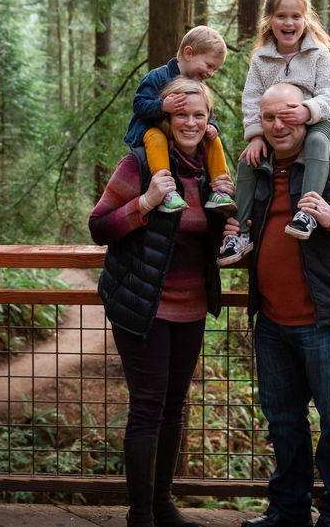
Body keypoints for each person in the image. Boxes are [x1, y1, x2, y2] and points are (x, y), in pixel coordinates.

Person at [227, 83, 330, 527]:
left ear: (306, 114)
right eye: (268, 117)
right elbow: (247, 232)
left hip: (329, 319)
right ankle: (289, 511)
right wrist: (229, 227)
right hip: (271, 320)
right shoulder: (257, 167)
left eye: (287, 114)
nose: (278, 125)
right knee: (283, 422)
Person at [90, 78, 233, 527]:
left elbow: (210, 237)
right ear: (167, 117)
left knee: (175, 405)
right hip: (143, 303)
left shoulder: (212, 170)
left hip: (191, 306)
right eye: (181, 114)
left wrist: (230, 226)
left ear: (208, 121)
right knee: (148, 404)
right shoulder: (138, 163)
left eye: (199, 115)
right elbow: (99, 227)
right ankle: (140, 515)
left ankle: (162, 504)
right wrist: (147, 202)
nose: (190, 122)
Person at [218, 0, 330, 265]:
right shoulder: (262, 59)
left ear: (305, 20)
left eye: (296, 16)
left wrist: (308, 111)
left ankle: (307, 212)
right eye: (281, 16)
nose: (289, 23)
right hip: (277, 129)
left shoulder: (318, 53)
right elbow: (252, 99)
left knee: (316, 142)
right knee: (248, 161)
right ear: (269, 21)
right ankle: (241, 234)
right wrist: (256, 136)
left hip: (317, 123)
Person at [124, 25, 234, 213]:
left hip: (179, 137)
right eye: (209, 65)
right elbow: (139, 104)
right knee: (157, 138)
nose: (210, 73)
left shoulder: (199, 85)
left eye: (215, 69)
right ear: (188, 53)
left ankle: (219, 189)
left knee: (214, 140)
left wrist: (212, 126)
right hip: (151, 131)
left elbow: (208, 112)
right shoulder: (158, 77)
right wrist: (162, 106)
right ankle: (166, 191)